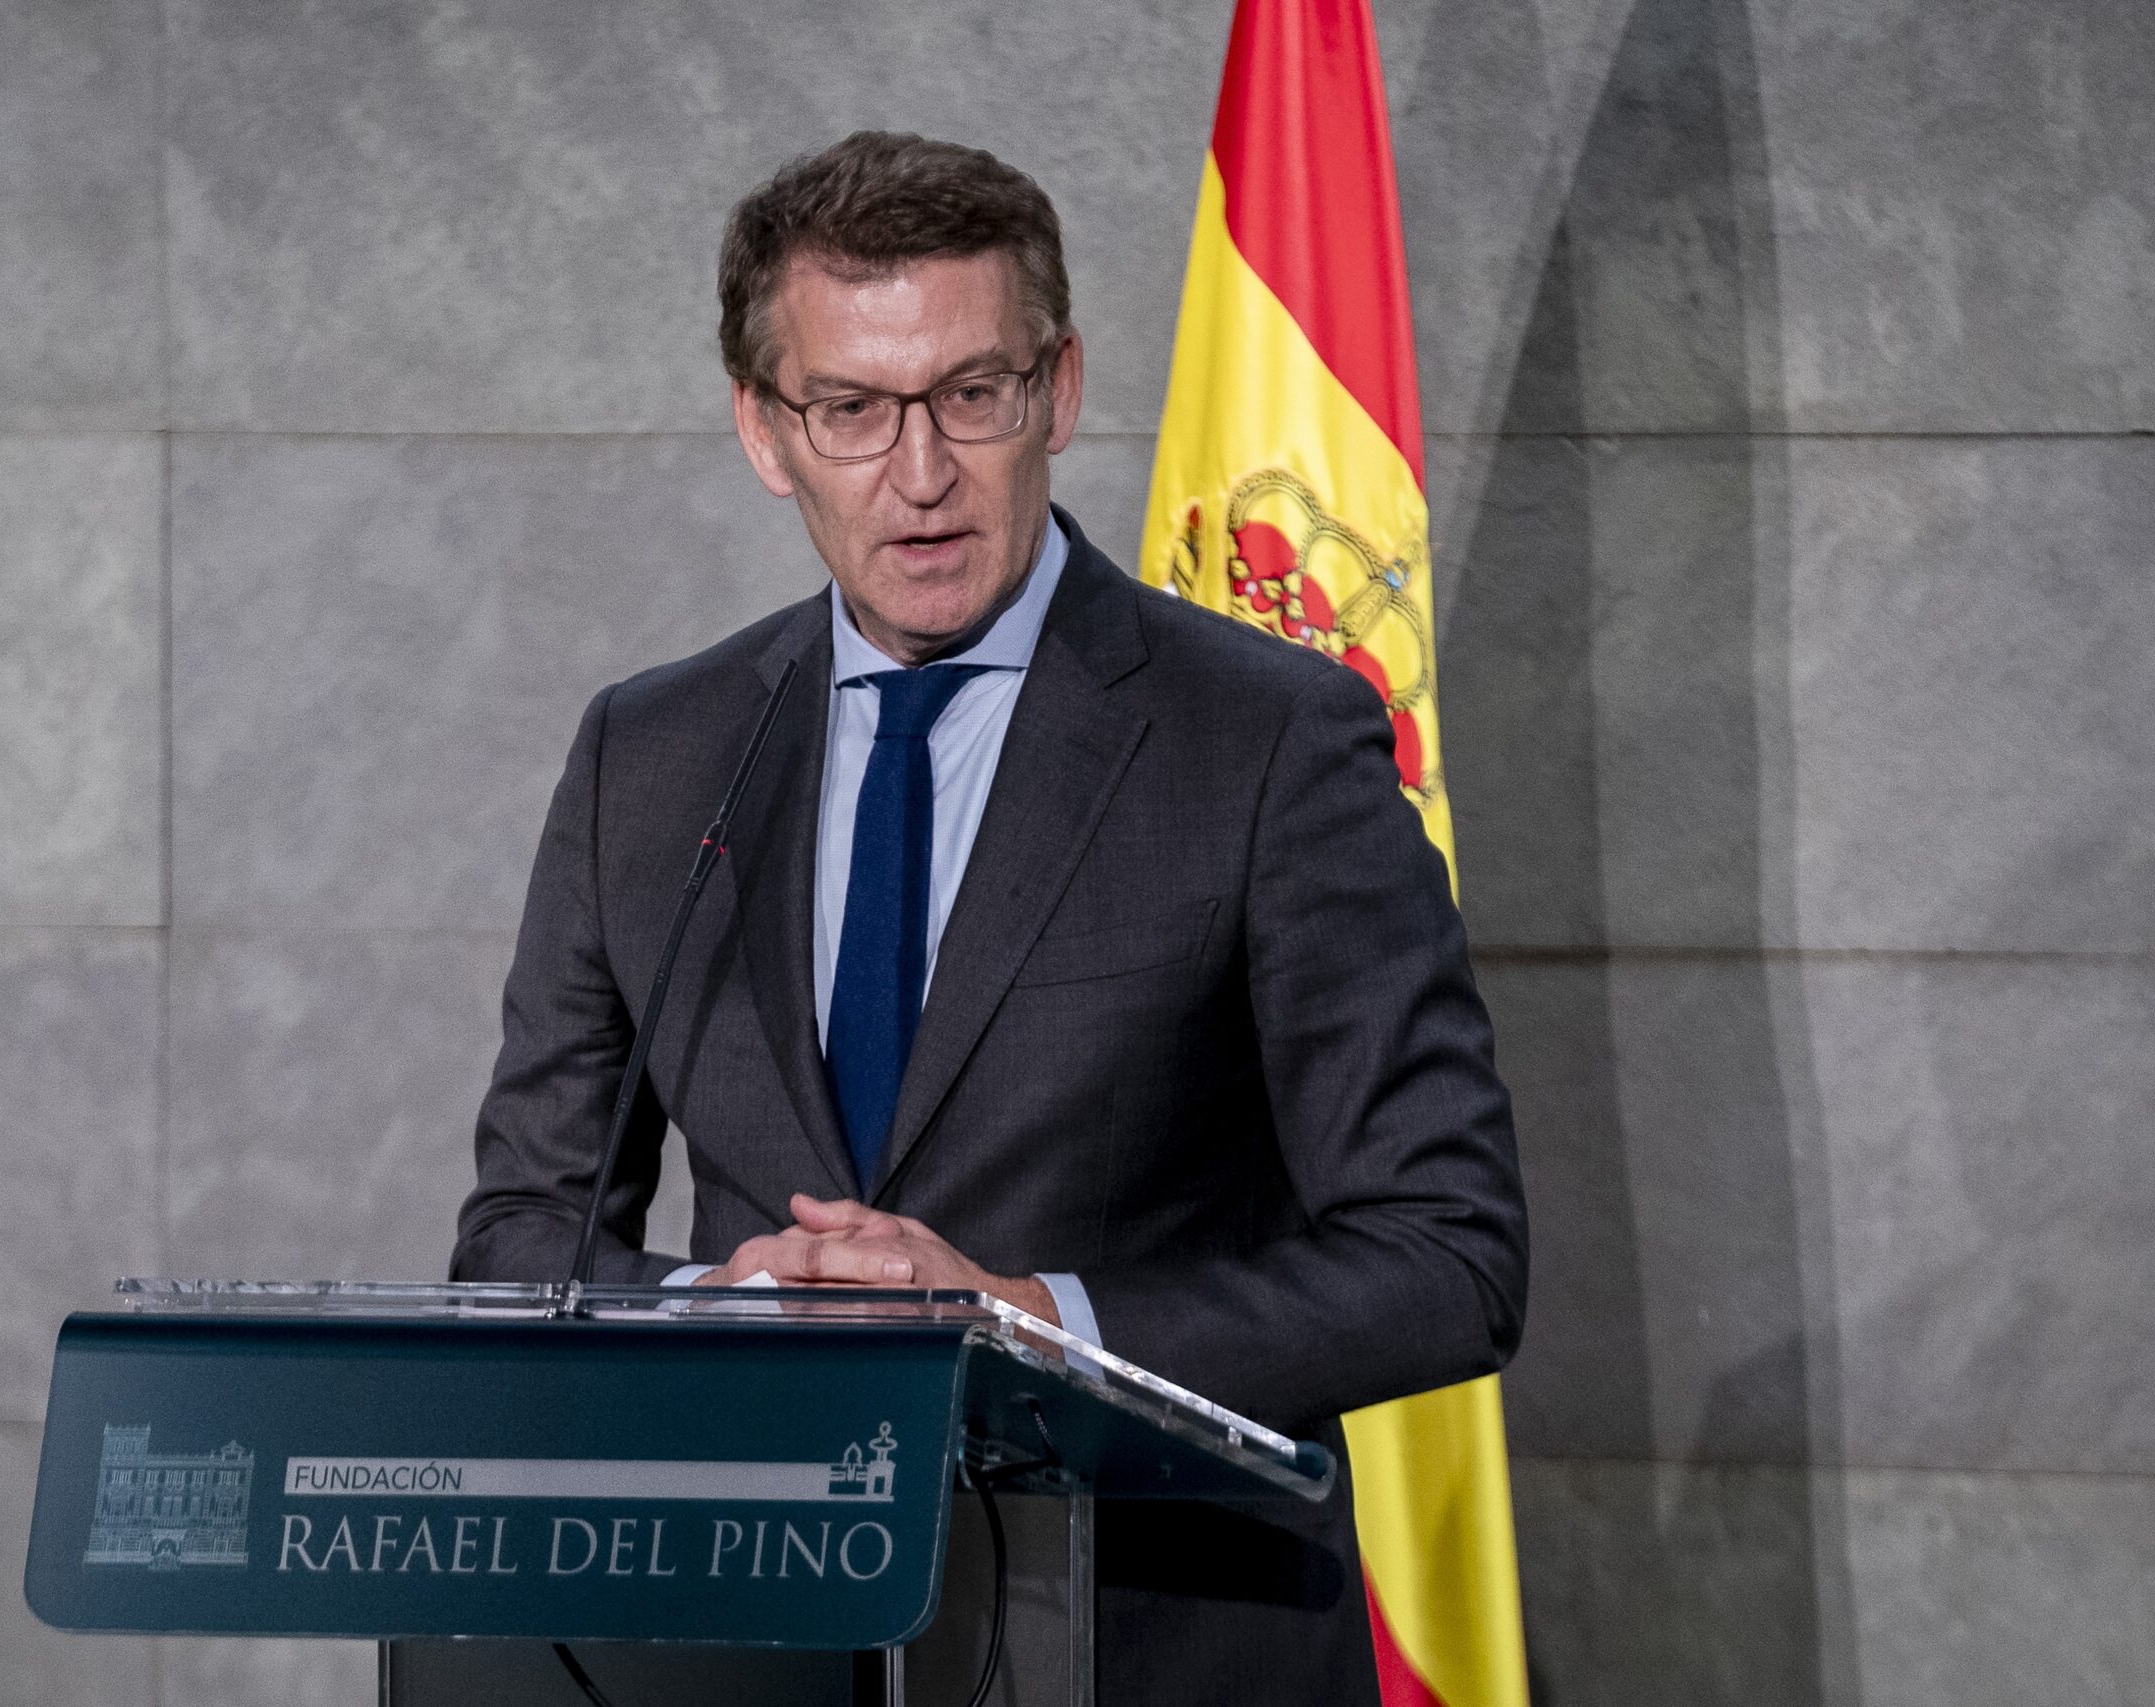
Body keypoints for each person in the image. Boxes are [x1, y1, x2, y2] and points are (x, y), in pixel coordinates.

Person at [452, 130, 1525, 1704]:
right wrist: (719, 1311)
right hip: (753, 1645)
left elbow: (1447, 1256)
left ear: (1059, 390)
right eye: (851, 409)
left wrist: (1038, 1325)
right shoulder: (653, 753)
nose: (921, 473)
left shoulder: (1269, 741)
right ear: (765, 429)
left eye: (971, 394)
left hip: (1157, 1646)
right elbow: (518, 1239)